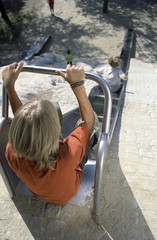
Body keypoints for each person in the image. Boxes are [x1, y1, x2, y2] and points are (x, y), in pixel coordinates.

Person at [2, 62, 99, 206]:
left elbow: (22, 123)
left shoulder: (10, 150)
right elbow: (88, 122)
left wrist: (9, 86)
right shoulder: (68, 153)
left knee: (52, 108)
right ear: (55, 133)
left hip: (38, 189)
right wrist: (77, 85)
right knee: (94, 118)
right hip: (65, 195)